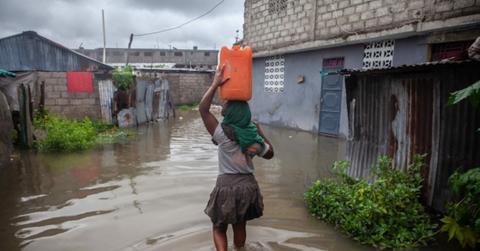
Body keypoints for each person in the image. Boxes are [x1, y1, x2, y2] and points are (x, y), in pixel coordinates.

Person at [199, 64, 274, 251]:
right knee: (240, 225)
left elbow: (203, 109)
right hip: (247, 186)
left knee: (218, 227)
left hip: (226, 186)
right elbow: (271, 153)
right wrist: (261, 132)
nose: (223, 104)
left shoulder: (222, 135)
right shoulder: (253, 140)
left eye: (226, 104)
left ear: (232, 111)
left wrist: (215, 84)